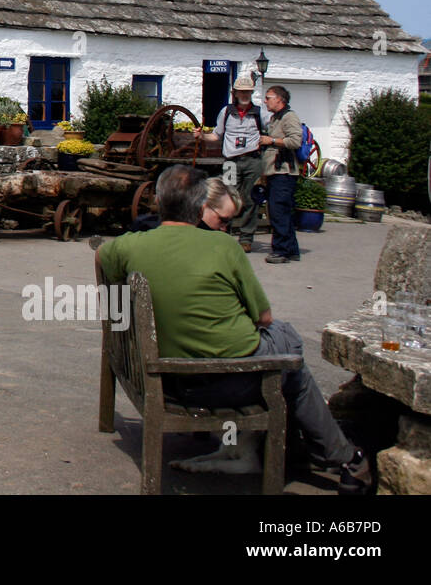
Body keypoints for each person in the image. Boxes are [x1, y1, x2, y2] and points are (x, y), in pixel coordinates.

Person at [96, 165, 369, 493]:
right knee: (289, 346)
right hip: (225, 384)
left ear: (158, 201)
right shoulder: (225, 248)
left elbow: (100, 255)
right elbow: (263, 317)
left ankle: (309, 448)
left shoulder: (130, 246)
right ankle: (342, 456)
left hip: (162, 378)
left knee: (286, 344)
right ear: (200, 209)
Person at [206, 74, 268, 252]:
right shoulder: (226, 112)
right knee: (227, 197)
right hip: (231, 161)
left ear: (251, 92)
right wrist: (201, 136)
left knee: (250, 199)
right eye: (241, 91)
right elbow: (216, 135)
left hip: (252, 160)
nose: (244, 94)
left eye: (247, 91)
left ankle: (246, 238)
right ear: (235, 92)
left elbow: (270, 130)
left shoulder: (259, 112)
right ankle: (224, 234)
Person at [261, 85, 302, 264]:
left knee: (278, 211)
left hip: (284, 172)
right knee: (282, 211)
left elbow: (295, 140)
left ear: (279, 99)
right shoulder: (275, 118)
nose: (265, 100)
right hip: (275, 171)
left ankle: (280, 250)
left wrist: (272, 140)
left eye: (268, 97)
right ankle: (292, 249)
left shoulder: (289, 117)